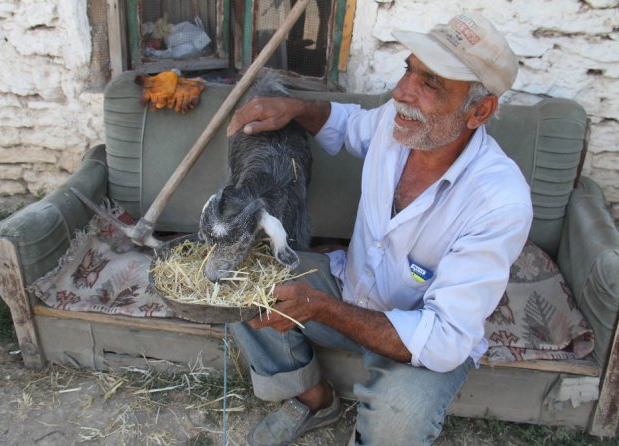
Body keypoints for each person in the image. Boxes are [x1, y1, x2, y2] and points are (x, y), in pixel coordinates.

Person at [226, 12, 533, 446]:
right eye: (409, 69)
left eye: (431, 83)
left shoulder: (499, 201)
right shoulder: (401, 120)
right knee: (233, 279)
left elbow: (443, 340)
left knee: (399, 420)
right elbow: (349, 124)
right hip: (347, 287)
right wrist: (295, 108)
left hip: (418, 337)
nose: (403, 91)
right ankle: (314, 398)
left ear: (479, 111)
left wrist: (324, 309)